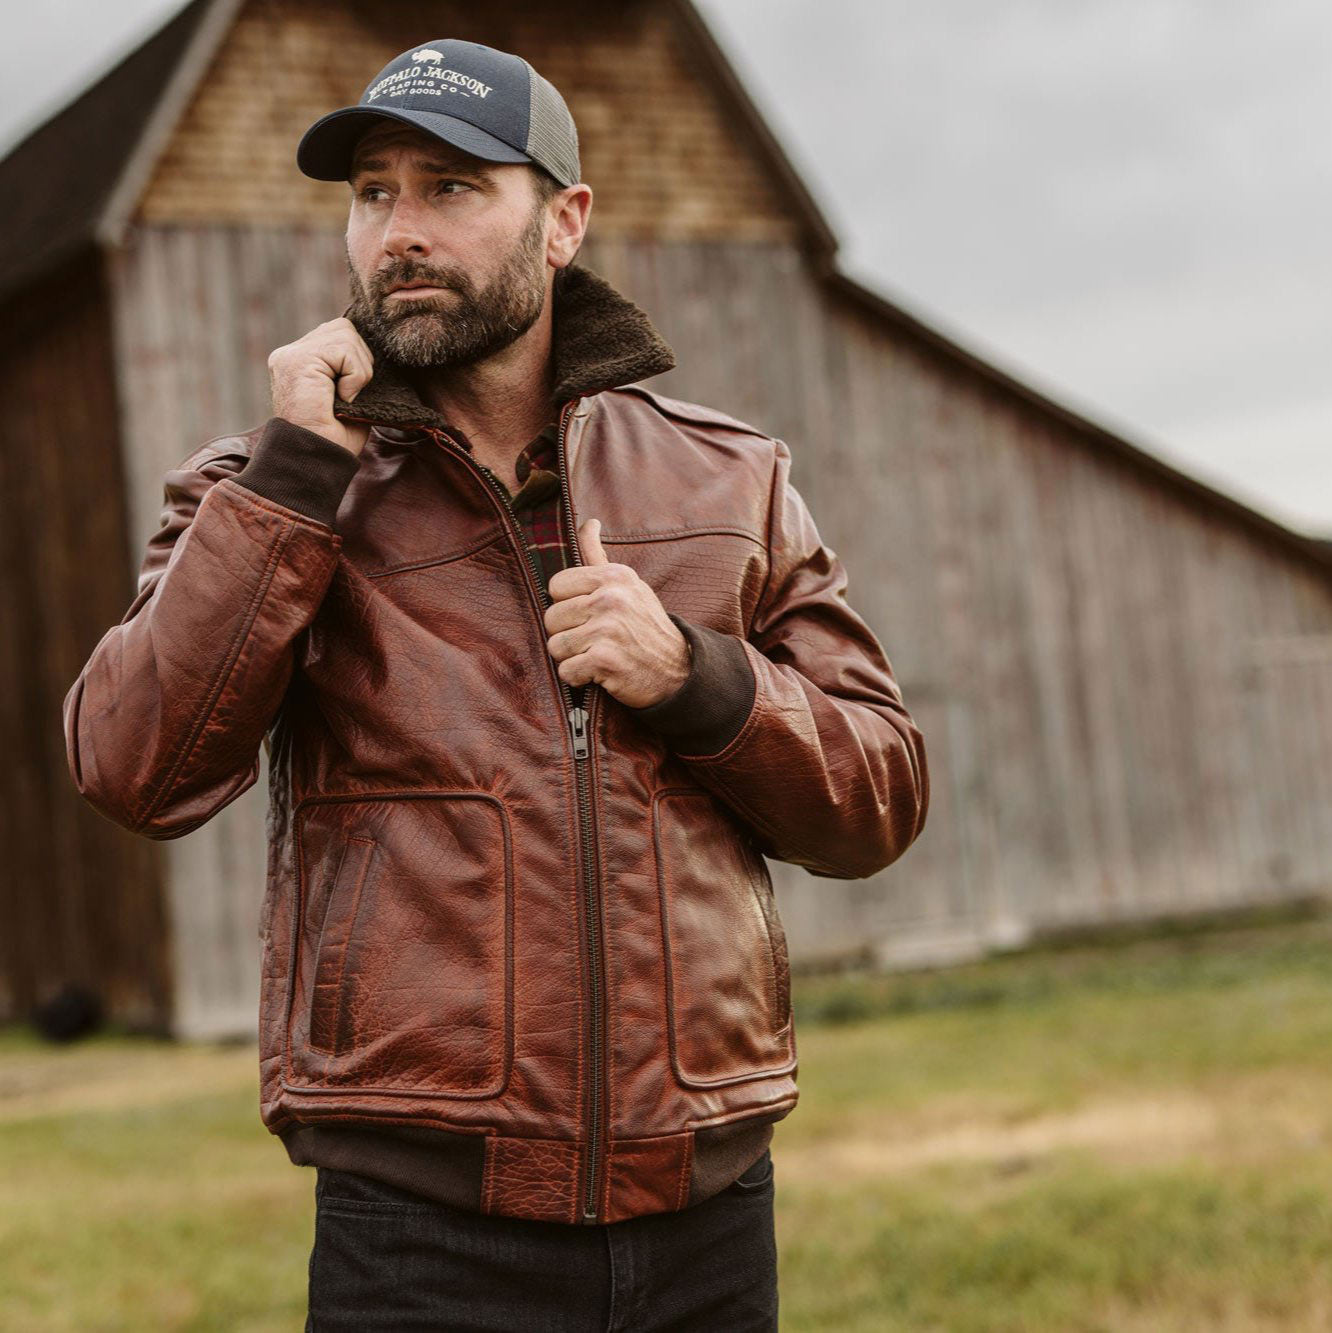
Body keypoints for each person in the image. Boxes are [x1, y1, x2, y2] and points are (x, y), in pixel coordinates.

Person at [63, 36, 930, 1332]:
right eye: (373, 193)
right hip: (419, 1231)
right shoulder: (267, 483)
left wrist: (697, 677)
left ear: (564, 221)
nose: (398, 231)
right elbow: (132, 762)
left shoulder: (726, 479)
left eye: (452, 188)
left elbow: (880, 791)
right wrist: (293, 482)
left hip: (708, 1212)